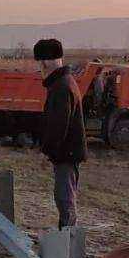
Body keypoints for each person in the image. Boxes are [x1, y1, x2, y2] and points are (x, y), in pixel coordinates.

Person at [33, 38, 87, 229]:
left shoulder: (61, 87)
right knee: (64, 197)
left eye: (38, 62)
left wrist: (45, 151)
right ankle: (66, 238)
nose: (39, 67)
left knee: (65, 199)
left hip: (66, 154)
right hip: (67, 152)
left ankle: (69, 241)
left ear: (45, 62)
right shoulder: (64, 82)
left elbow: (58, 125)